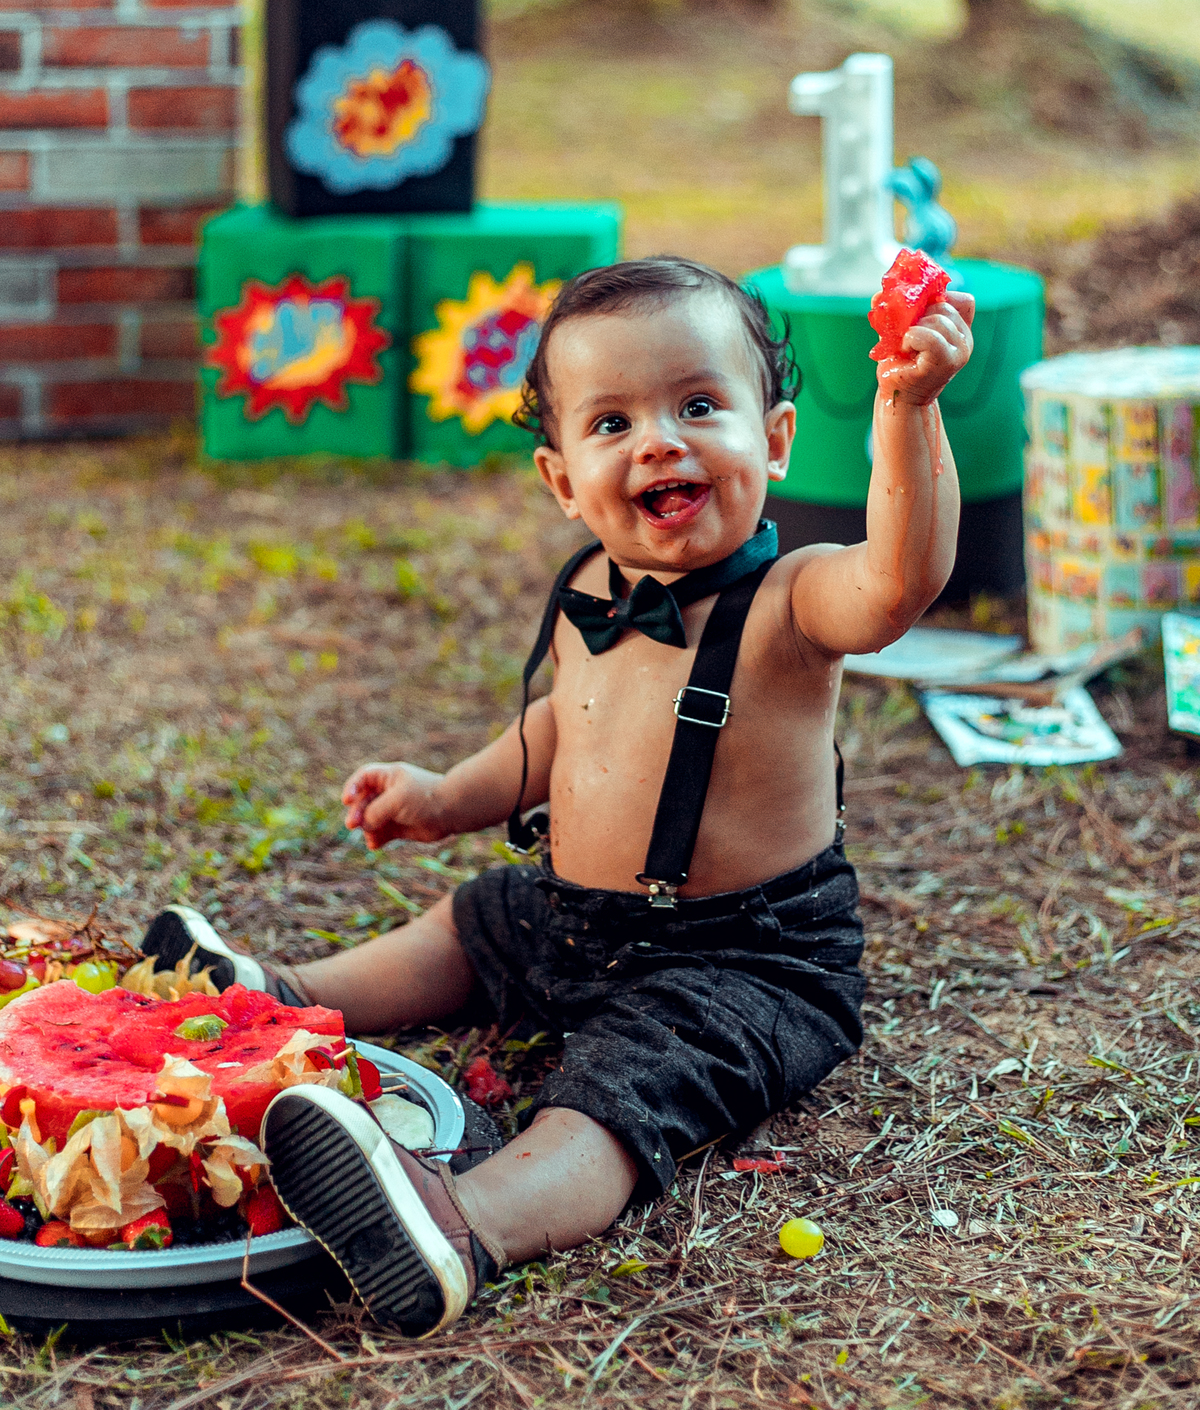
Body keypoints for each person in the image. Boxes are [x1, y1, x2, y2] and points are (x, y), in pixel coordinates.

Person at [141, 255, 974, 1339]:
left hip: (744, 957)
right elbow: (555, 734)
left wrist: (908, 409)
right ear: (562, 479)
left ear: (773, 439)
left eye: (698, 406)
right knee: (476, 920)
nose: (660, 442)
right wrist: (448, 796)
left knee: (620, 1095)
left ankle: (460, 1219)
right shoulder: (592, 589)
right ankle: (280, 992)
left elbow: (902, 578)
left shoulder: (796, 601)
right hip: (581, 916)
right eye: (614, 422)